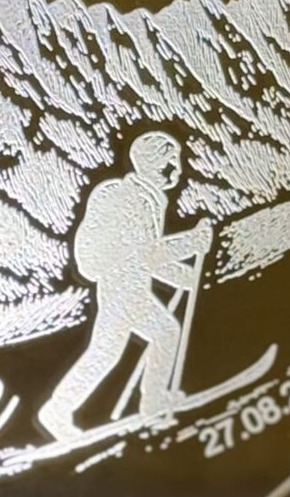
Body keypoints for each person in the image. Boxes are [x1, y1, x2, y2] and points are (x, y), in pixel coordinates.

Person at [37, 131, 213, 444]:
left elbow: (145, 258)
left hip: (132, 286)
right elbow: (146, 253)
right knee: (108, 352)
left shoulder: (147, 198)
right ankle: (58, 410)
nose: (177, 169)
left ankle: (152, 403)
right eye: (170, 162)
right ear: (151, 164)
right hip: (120, 289)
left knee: (162, 334)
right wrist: (191, 242)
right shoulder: (132, 199)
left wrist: (184, 277)